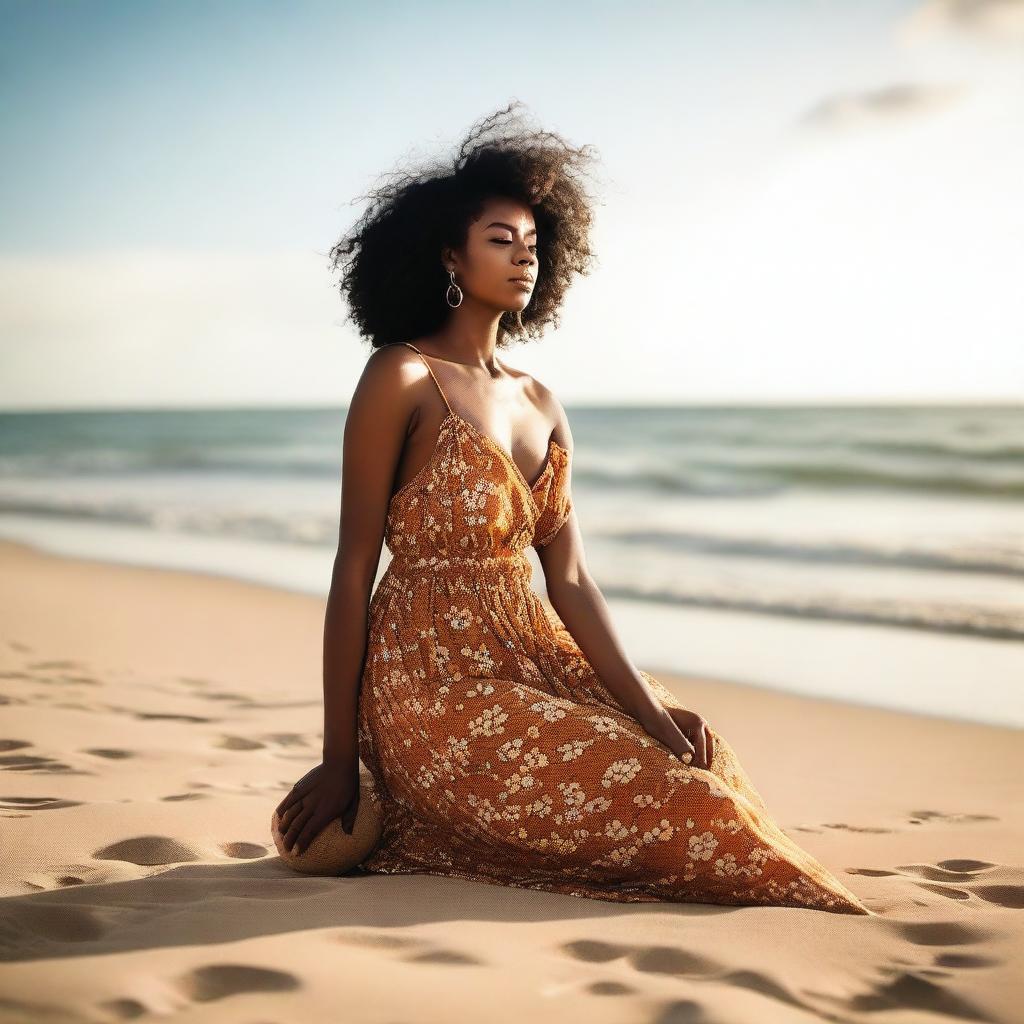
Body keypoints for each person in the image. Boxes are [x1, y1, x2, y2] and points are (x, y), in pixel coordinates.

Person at [274, 102, 870, 913]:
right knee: (677, 800)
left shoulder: (542, 401)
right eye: (499, 240)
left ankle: (804, 897)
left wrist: (648, 707)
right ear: (448, 254)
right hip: (430, 683)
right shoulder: (400, 377)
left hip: (531, 652)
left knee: (696, 753)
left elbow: (574, 580)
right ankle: (816, 913)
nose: (524, 258)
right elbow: (352, 568)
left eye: (532, 243)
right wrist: (340, 757)